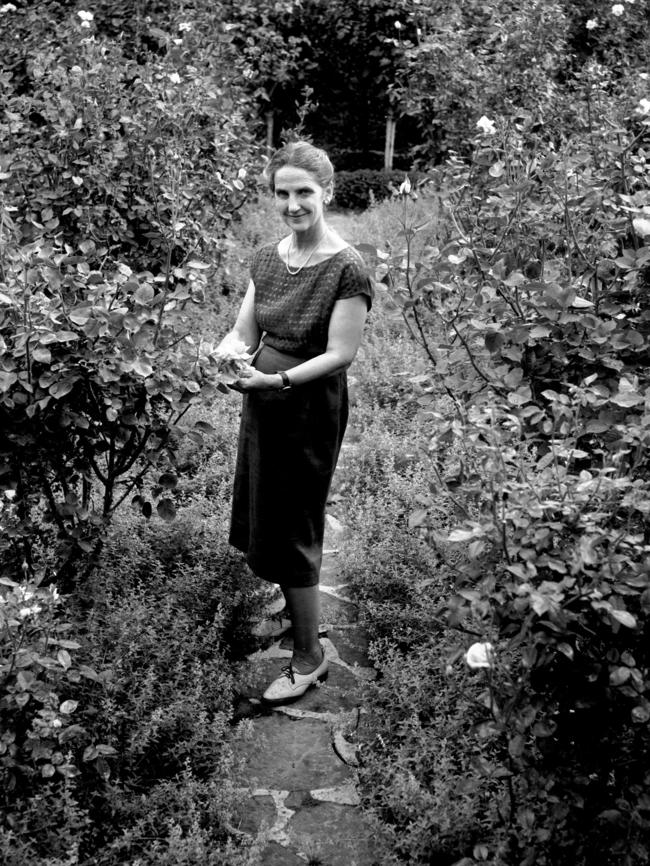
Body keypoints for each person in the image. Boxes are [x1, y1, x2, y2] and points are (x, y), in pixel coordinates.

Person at [218, 140, 373, 705]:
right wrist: (228, 351)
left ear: (326, 192)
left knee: (294, 524)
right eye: (282, 193)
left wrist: (276, 382)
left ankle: (310, 659)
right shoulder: (266, 257)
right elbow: (246, 330)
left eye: (303, 192)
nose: (292, 204)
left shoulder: (346, 267)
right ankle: (294, 615)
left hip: (305, 408)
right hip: (262, 403)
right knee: (267, 510)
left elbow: (340, 355)